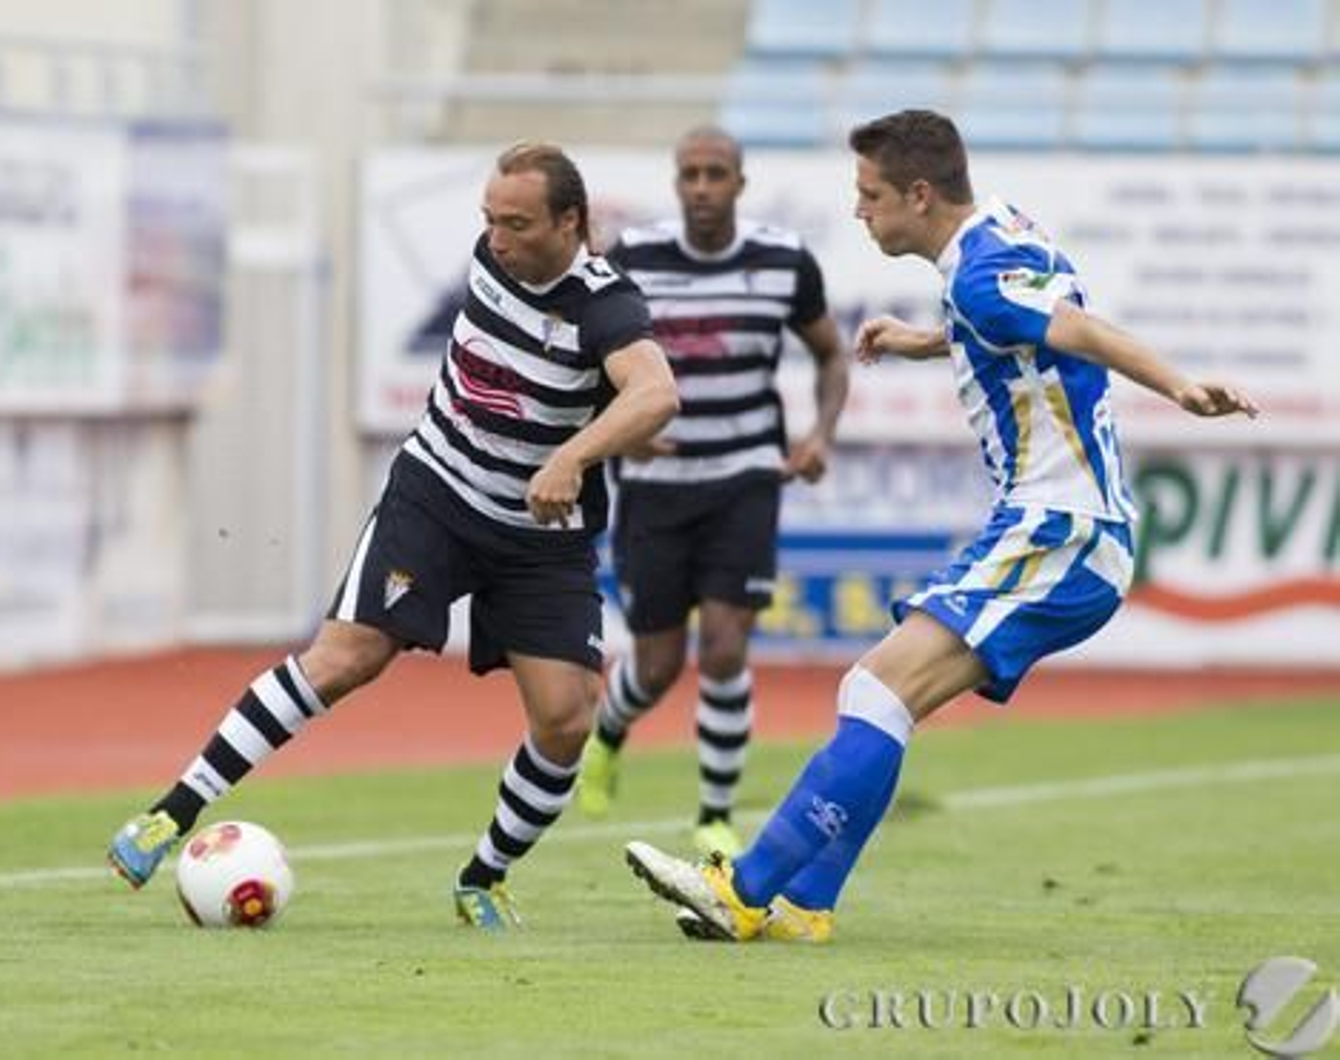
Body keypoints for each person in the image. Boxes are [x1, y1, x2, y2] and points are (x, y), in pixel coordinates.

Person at [623, 109, 1258, 944]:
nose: (860, 211)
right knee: (882, 701)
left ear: (919, 195)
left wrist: (1178, 387)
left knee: (876, 692)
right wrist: (929, 342)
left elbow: (1078, 330)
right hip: (1069, 534)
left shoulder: (978, 276)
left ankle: (742, 890)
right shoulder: (1001, 230)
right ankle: (806, 906)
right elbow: (1027, 326)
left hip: (1058, 530)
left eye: (870, 194)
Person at [108, 142, 679, 931]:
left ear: (572, 223)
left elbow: (656, 393)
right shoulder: (495, 254)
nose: (497, 237)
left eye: (516, 223)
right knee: (346, 657)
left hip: (540, 535)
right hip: (438, 495)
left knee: (567, 717)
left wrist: (575, 455)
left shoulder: (605, 306)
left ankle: (483, 876)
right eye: (489, 218)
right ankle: (168, 815)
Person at [575, 125, 849, 860]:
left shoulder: (784, 261)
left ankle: (715, 814)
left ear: (740, 183)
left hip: (746, 477)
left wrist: (821, 432)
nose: (702, 187)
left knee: (726, 646)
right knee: (658, 663)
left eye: (716, 174)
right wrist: (618, 429)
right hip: (655, 486)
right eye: (690, 174)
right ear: (676, 182)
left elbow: (829, 352)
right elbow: (590, 359)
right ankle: (608, 731)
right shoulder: (632, 262)